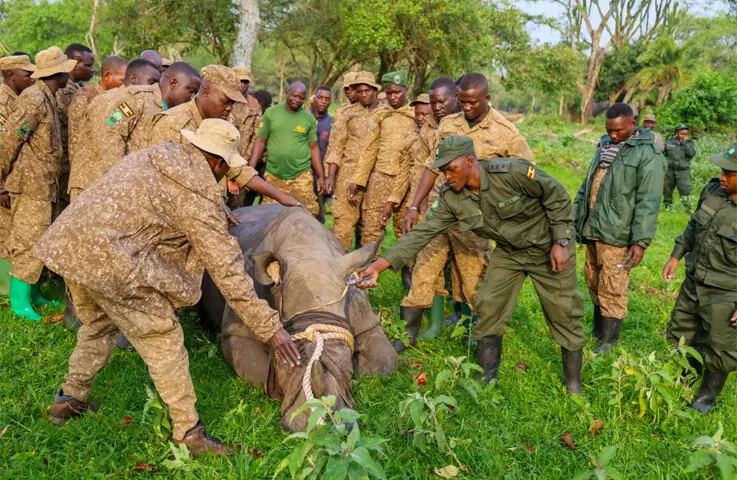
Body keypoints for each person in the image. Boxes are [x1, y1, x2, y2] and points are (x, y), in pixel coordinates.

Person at [34, 119, 301, 457]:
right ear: (217, 161)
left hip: (74, 247)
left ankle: (69, 400)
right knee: (163, 337)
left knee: (99, 325)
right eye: (227, 170)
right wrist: (270, 328)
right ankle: (189, 432)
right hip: (112, 262)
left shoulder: (160, 154)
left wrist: (212, 203)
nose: (226, 177)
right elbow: (228, 271)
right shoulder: (196, 195)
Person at [356, 136, 585, 394]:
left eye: (451, 169)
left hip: (548, 248)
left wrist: (562, 241)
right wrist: (380, 266)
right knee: (487, 304)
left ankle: (573, 384)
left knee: (563, 311)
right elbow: (422, 233)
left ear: (469, 161)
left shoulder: (513, 172)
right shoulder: (452, 198)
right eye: (442, 171)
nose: (447, 176)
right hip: (509, 253)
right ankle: (487, 377)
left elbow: (557, 196)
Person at [574, 103, 666, 353]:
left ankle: (608, 342)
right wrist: (576, 220)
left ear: (632, 125)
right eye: (609, 130)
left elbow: (649, 202)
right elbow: (587, 184)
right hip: (594, 228)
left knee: (613, 286)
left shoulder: (648, 155)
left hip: (619, 234)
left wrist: (640, 242)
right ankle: (597, 332)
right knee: (593, 279)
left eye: (618, 131)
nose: (613, 135)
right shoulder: (604, 145)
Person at [148, 65, 301, 208]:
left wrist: (281, 197)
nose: (229, 108)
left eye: (233, 103)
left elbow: (238, 170)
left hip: (213, 207)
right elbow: (164, 180)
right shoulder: (172, 123)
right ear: (206, 92)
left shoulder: (226, 122)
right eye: (225, 102)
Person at [0, 46, 76, 321]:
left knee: (38, 241)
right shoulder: (34, 99)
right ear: (60, 73)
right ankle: (19, 302)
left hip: (44, 184)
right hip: (29, 184)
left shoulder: (47, 97)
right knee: (27, 241)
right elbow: (10, 140)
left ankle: (31, 293)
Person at [663, 144, 737, 414]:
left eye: (730, 173)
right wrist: (676, 254)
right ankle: (685, 380)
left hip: (727, 290)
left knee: (720, 346)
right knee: (682, 333)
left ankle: (706, 399)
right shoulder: (713, 190)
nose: (722, 176)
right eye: (721, 170)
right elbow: (694, 224)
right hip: (694, 281)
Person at [69, 59, 198, 199]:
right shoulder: (137, 98)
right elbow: (110, 131)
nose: (193, 97)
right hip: (96, 184)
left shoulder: (170, 111)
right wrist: (122, 179)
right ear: (173, 83)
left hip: (121, 189)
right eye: (190, 90)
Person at [349, 71, 415, 248]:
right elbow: (369, 149)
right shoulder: (380, 115)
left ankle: (407, 274)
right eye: (389, 93)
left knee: (406, 231)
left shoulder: (416, 115)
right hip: (381, 178)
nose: (393, 97)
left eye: (397, 92)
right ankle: (367, 272)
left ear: (406, 90)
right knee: (371, 229)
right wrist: (357, 179)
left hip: (407, 181)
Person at [323, 72, 381, 250]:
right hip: (348, 176)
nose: (364, 95)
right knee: (343, 225)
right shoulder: (347, 114)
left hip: (376, 178)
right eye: (360, 91)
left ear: (375, 90)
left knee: (371, 227)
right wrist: (330, 176)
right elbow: (336, 147)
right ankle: (339, 269)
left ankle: (367, 273)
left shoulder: (384, 113)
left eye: (367, 91)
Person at [248, 82, 325, 216]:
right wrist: (250, 168)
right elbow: (260, 141)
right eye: (294, 96)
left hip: (301, 176)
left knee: (307, 216)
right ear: (286, 94)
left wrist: (321, 176)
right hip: (274, 175)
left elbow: (313, 148)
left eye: (301, 98)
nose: (297, 100)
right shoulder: (271, 113)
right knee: (269, 217)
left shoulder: (309, 118)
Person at [380, 93, 432, 291]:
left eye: (425, 114)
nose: (420, 118)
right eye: (417, 114)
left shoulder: (440, 136)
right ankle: (408, 284)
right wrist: (392, 200)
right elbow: (403, 172)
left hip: (432, 199)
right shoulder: (411, 139)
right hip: (410, 199)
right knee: (405, 238)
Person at [0, 54, 36, 264]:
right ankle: (5, 288)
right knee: (5, 234)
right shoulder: (2, 102)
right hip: (5, 180)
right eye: (27, 74)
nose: (32, 77)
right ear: (11, 75)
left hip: (16, 178)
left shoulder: (19, 98)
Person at [55, 43, 95, 215]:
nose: (92, 70)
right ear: (72, 64)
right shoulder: (64, 92)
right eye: (87, 65)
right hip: (64, 165)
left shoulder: (77, 89)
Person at [311, 85, 332, 223]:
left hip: (320, 176)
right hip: (300, 174)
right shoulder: (304, 118)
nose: (323, 101)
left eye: (327, 99)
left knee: (318, 216)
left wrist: (324, 176)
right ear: (314, 98)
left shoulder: (332, 122)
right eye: (320, 97)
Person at [663, 124, 696, 212]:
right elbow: (663, 155)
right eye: (682, 133)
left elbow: (691, 154)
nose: (684, 136)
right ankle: (668, 207)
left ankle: (687, 209)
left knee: (685, 190)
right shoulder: (669, 142)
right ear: (676, 133)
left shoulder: (689, 143)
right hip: (669, 171)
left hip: (683, 171)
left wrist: (685, 143)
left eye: (686, 134)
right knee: (667, 189)